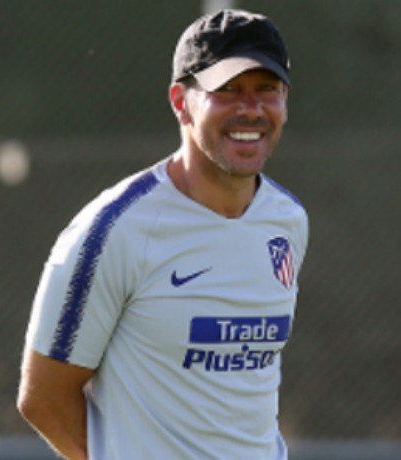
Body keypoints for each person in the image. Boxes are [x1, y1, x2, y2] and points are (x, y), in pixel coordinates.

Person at [17, 9, 309, 460]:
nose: (250, 108)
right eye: (226, 90)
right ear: (180, 101)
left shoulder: (288, 220)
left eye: (266, 90)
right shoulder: (115, 230)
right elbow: (44, 398)